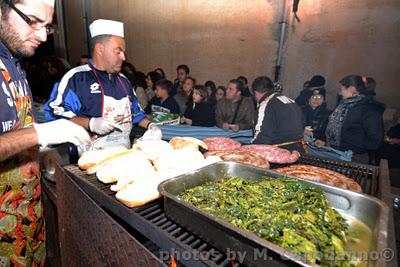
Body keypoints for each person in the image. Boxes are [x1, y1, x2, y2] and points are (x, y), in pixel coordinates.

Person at [0, 0, 90, 264]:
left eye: (47, 26)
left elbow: (14, 128)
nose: (41, 36)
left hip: (26, 217)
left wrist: (39, 152)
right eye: (31, 21)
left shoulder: (14, 60)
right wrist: (40, 134)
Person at [45, 19, 154, 150]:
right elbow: (53, 113)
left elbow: (135, 113)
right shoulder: (77, 79)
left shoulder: (123, 81)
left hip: (122, 155)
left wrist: (151, 126)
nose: (124, 57)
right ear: (100, 49)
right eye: (118, 51)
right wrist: (90, 124)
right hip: (89, 159)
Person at [318, 75, 385, 164]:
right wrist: (325, 140)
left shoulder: (368, 109)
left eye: (341, 89)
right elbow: (334, 127)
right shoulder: (344, 106)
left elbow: (375, 140)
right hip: (336, 152)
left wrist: (350, 145)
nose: (339, 93)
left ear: (351, 89)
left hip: (354, 158)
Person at [252, 76, 304, 149]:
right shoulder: (290, 100)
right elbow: (302, 123)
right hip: (298, 149)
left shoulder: (266, 103)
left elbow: (262, 135)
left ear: (256, 93)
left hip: (280, 151)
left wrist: (251, 150)